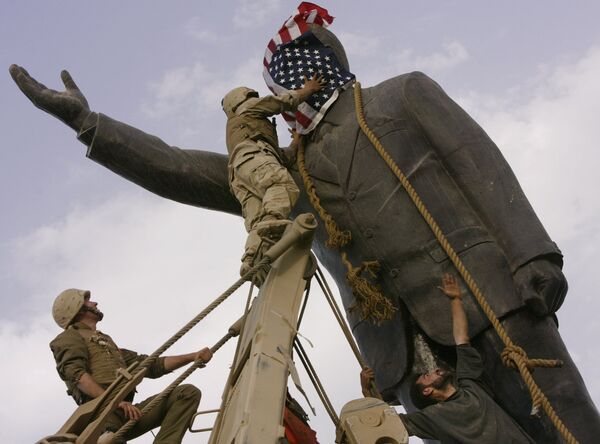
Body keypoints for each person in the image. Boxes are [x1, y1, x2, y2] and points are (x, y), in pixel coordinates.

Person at [9, 4, 600, 440]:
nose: (286, 87)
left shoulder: (402, 97)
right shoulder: (288, 174)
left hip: (489, 304)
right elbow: (183, 168)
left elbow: (479, 162)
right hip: (403, 354)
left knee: (564, 425)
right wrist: (91, 126)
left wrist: (533, 254)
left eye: (293, 72)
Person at [361, 273, 534, 443]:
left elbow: (461, 339)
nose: (435, 370)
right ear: (427, 391)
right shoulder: (433, 418)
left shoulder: (471, 387)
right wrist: (366, 390)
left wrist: (456, 300)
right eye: (427, 376)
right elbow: (383, 424)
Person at [50, 288, 213, 444]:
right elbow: (77, 376)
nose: (95, 303)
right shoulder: (69, 338)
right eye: (88, 301)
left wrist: (193, 356)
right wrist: (114, 402)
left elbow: (151, 365)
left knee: (186, 393)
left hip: (126, 411)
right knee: (109, 440)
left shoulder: (107, 343)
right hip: (101, 416)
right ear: (78, 309)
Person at [222, 75, 325, 276]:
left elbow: (282, 157)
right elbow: (278, 103)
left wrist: (296, 142)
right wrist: (308, 90)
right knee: (281, 184)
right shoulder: (246, 108)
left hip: (239, 174)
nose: (254, 98)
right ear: (240, 99)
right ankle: (272, 226)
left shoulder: (242, 127)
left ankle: (252, 259)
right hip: (252, 157)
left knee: (257, 221)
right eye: (250, 95)